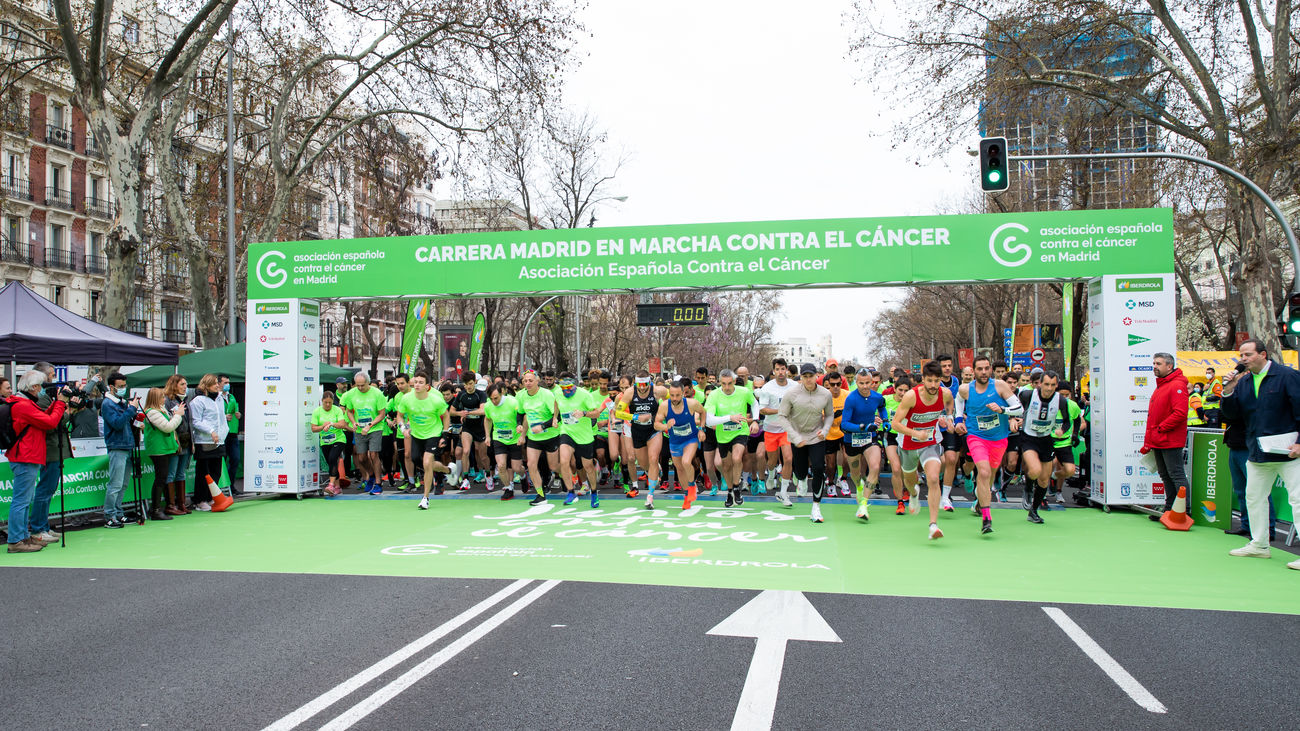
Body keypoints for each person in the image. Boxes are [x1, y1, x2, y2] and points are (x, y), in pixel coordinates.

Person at [1223, 339, 1300, 568]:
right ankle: (1259, 544)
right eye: (1241, 355)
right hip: (1257, 451)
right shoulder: (1244, 382)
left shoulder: (1287, 376)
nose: (1243, 359)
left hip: (1289, 452)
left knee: (1298, 499)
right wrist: (1228, 390)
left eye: (1248, 354)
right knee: (1254, 497)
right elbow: (1232, 415)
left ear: (1263, 354)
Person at [4, 369, 69, 552]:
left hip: (26, 455)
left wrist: (56, 404)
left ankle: (23, 537)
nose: (41, 389)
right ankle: (16, 540)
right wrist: (60, 404)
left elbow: (43, 419)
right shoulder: (23, 405)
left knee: (24, 500)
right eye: (39, 386)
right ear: (33, 387)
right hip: (26, 456)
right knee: (21, 501)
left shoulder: (22, 403)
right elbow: (49, 423)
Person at [892, 361, 956, 539]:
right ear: (923, 380)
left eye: (937, 381)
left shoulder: (945, 393)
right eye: (930, 381)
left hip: (930, 442)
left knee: (933, 478)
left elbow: (950, 404)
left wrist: (948, 418)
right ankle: (913, 494)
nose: (933, 385)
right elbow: (895, 424)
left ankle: (933, 525)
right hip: (908, 443)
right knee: (909, 480)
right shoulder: (911, 396)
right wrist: (915, 433)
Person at [773, 363, 835, 523]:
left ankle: (816, 507)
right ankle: (801, 479)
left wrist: (825, 430)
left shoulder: (825, 394)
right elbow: (782, 416)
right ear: (801, 377)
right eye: (805, 376)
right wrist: (794, 435)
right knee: (800, 472)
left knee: (818, 468)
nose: (808, 379)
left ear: (816, 376)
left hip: (816, 436)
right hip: (797, 438)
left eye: (811, 376)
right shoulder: (791, 393)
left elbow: (829, 415)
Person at [1011, 369, 1069, 525]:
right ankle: (1028, 488)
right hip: (1028, 438)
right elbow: (1015, 409)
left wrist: (1062, 430)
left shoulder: (1061, 400)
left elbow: (1067, 421)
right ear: (1040, 384)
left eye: (1053, 385)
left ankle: (1034, 511)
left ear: (1056, 385)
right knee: (1035, 470)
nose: (1049, 388)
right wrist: (1014, 419)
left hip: (1046, 439)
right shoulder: (1027, 395)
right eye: (1046, 384)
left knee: (1044, 480)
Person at [27, 362, 77, 542]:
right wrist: (65, 409)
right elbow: (51, 423)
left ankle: (43, 526)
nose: (54, 378)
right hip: (49, 450)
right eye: (52, 374)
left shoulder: (48, 397)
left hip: (55, 448)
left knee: (48, 489)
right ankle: (38, 528)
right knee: (45, 489)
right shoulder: (42, 399)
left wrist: (66, 407)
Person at [1141, 352, 1190, 517]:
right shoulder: (1163, 385)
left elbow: (1180, 413)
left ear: (1169, 366)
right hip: (1160, 439)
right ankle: (1170, 509)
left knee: (1176, 475)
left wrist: (1161, 428)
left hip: (1169, 439)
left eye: (1158, 364)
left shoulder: (1176, 385)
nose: (1154, 366)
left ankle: (1184, 511)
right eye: (1154, 363)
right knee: (1165, 475)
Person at [704, 369, 760, 508]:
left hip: (740, 431)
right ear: (719, 382)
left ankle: (736, 487)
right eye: (723, 384)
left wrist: (755, 420)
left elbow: (754, 404)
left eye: (729, 383)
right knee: (726, 465)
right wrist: (729, 418)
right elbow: (709, 421)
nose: (727, 387)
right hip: (723, 435)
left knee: (737, 458)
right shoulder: (714, 395)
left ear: (734, 381)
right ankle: (730, 492)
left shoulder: (744, 392)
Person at [397, 372, 453, 510]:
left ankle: (425, 498)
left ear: (427, 386)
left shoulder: (436, 400)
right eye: (416, 382)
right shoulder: (406, 398)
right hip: (416, 435)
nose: (417, 385)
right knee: (418, 460)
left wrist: (445, 434)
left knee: (427, 463)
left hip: (433, 434)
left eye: (421, 382)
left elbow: (446, 416)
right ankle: (448, 470)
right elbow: (400, 415)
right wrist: (403, 428)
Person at [838, 369, 888, 520]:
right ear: (856, 382)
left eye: (867, 383)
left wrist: (885, 420)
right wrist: (862, 427)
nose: (865, 386)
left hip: (870, 437)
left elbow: (882, 407)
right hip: (852, 439)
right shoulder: (851, 399)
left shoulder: (877, 397)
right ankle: (859, 487)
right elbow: (844, 424)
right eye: (861, 383)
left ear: (872, 382)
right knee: (855, 473)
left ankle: (864, 504)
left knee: (875, 467)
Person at [1222, 408, 1276, 538]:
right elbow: (1225, 415)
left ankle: (1267, 529)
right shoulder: (1235, 400)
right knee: (1241, 491)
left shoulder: (1249, 400)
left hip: (1249, 448)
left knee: (1259, 490)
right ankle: (1246, 525)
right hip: (1235, 446)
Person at [655, 378, 706, 510]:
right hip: (675, 441)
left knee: (686, 462)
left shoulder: (691, 403)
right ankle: (687, 495)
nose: (675, 398)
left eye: (678, 395)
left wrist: (701, 429)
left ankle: (692, 485)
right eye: (672, 395)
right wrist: (666, 426)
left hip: (690, 439)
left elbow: (703, 412)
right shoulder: (664, 406)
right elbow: (656, 424)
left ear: (683, 393)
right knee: (679, 468)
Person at [99, 372, 141, 528]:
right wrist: (131, 409)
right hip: (117, 445)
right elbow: (117, 423)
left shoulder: (120, 402)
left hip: (126, 445)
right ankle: (109, 515)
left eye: (124, 385)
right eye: (121, 386)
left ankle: (118, 512)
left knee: (123, 484)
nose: (124, 388)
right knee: (115, 484)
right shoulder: (108, 404)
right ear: (111, 387)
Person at [554, 372, 602, 508]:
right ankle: (571, 492)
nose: (566, 391)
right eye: (563, 388)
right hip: (567, 432)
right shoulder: (558, 393)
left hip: (584, 435)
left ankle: (594, 492)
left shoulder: (585, 395)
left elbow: (596, 413)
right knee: (564, 461)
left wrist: (584, 413)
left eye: (569, 387)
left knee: (588, 467)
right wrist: (555, 417)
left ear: (574, 384)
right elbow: (556, 403)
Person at [517, 370, 563, 506]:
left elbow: (558, 417)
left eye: (531, 380)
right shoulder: (521, 395)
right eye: (525, 381)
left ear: (537, 381)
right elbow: (520, 413)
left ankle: (568, 476)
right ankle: (540, 495)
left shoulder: (547, 395)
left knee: (553, 466)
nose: (528, 383)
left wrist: (543, 426)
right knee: (531, 464)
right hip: (534, 437)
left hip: (551, 435)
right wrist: (519, 425)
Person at [341, 373, 387, 495]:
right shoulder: (351, 394)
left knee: (373, 454)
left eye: (362, 385)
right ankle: (371, 476)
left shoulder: (377, 393)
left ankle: (378, 483)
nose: (360, 388)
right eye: (358, 385)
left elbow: (382, 414)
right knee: (361, 458)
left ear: (368, 383)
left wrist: (370, 425)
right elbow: (349, 411)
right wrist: (353, 422)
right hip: (360, 429)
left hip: (375, 428)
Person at [142, 388, 184, 519]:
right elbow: (168, 427)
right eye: (162, 397)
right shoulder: (152, 412)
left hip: (164, 448)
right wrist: (178, 415)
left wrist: (176, 415)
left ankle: (158, 508)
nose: (164, 399)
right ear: (156, 398)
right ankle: (155, 509)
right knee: (160, 479)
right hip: (158, 449)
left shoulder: (160, 410)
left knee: (162, 478)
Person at [758, 358, 798, 498]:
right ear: (773, 371)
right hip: (771, 429)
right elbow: (762, 410)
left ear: (786, 370)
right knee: (772, 461)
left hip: (787, 429)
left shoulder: (795, 386)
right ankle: (771, 474)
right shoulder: (767, 388)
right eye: (777, 369)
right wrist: (780, 411)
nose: (780, 372)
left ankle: (784, 492)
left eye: (782, 369)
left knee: (788, 459)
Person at [189, 374, 229, 511]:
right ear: (206, 385)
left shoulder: (219, 399)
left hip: (219, 441)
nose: (218, 386)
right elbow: (196, 421)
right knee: (204, 473)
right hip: (204, 441)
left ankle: (211, 497)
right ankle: (200, 500)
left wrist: (224, 432)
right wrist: (211, 431)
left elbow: (222, 418)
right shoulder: (198, 401)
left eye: (217, 383)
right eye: (214, 384)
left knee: (216, 472)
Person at [484, 384, 525, 500]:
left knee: (517, 468)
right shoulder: (488, 406)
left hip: (514, 438)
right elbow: (487, 419)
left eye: (496, 398)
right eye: (491, 399)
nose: (494, 401)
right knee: (501, 466)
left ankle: (523, 476)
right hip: (499, 438)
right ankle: (508, 488)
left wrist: (520, 427)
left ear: (502, 393)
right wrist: (487, 436)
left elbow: (522, 416)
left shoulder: (513, 402)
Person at [312, 390, 349, 495]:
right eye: (325, 402)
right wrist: (323, 426)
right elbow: (313, 428)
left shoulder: (337, 410)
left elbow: (342, 425)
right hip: (325, 441)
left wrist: (332, 424)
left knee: (333, 458)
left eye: (330, 402)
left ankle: (331, 485)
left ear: (333, 402)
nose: (328, 405)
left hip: (338, 439)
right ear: (322, 401)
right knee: (331, 463)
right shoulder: (317, 411)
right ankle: (337, 487)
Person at [164, 375, 193, 512]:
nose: (185, 387)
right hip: (175, 442)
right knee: (171, 472)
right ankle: (171, 505)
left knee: (181, 473)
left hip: (186, 441)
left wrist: (192, 442)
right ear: (174, 385)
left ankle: (181, 503)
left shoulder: (186, 400)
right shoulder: (167, 401)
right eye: (182, 384)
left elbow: (190, 423)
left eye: (186, 384)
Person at [218, 374, 242, 492]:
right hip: (222, 434)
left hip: (232, 432)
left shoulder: (231, 396)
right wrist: (224, 417)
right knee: (221, 461)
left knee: (235, 459)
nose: (228, 385)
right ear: (219, 384)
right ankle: (221, 487)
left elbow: (236, 411)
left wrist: (238, 415)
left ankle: (231, 485)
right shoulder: (216, 398)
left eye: (228, 382)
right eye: (225, 382)